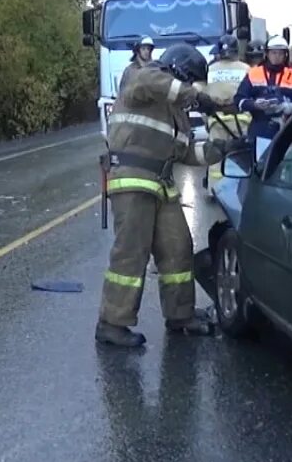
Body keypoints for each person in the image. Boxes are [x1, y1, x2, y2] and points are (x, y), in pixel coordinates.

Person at [97, 43, 244, 348]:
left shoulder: (175, 113)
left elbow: (187, 152)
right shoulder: (141, 77)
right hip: (132, 180)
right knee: (131, 252)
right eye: (189, 81)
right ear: (178, 70)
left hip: (160, 183)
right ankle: (112, 323)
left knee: (178, 248)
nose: (190, 88)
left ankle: (181, 316)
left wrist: (222, 149)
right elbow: (158, 83)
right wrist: (202, 98)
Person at [200, 35, 252, 188]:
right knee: (241, 155)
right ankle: (241, 189)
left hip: (217, 119)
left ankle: (214, 189)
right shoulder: (246, 69)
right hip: (242, 119)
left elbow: (203, 97)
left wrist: (207, 121)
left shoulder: (210, 69)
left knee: (216, 155)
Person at [233, 35, 292, 140]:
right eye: (274, 53)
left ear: (286, 55)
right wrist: (255, 105)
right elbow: (238, 100)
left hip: (286, 127)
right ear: (267, 54)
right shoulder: (254, 73)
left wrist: (289, 106)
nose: (277, 56)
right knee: (260, 156)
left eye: (280, 53)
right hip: (260, 127)